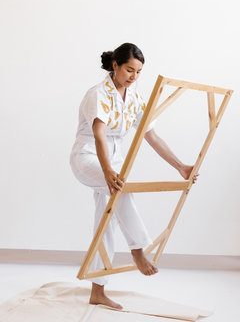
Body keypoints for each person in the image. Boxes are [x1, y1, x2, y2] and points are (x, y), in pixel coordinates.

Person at [70, 42, 198, 310]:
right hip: (88, 158)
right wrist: (106, 171)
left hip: (114, 164)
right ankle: (139, 251)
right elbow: (99, 134)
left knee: (106, 222)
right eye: (129, 70)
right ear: (115, 65)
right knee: (120, 191)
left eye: (139, 72)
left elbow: (151, 135)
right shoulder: (98, 94)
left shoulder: (135, 97)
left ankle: (97, 290)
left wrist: (180, 166)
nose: (134, 77)